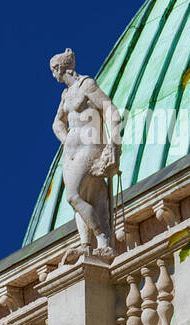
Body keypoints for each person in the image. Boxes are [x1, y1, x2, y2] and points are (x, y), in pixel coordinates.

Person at [50, 48, 121, 260]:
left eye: (54, 70)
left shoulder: (86, 85)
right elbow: (56, 123)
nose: (53, 75)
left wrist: (114, 144)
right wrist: (67, 139)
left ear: (61, 68)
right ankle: (86, 244)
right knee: (88, 197)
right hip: (71, 150)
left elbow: (111, 111)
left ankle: (102, 235)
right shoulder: (65, 95)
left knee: (73, 195)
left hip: (90, 146)